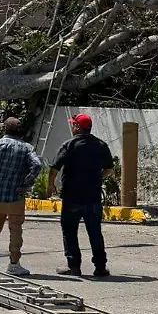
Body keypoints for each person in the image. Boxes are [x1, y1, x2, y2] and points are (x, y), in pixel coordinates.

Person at [0, 117, 41, 276]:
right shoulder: (26, 148)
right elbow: (37, 165)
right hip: (15, 196)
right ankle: (14, 264)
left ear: (5, 129)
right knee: (15, 230)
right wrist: (26, 184)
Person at [49, 114, 114, 278]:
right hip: (93, 197)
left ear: (78, 127)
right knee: (95, 232)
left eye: (74, 125)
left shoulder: (69, 145)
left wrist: (51, 184)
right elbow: (109, 169)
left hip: (72, 197)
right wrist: (98, 177)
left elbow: (55, 168)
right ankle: (100, 267)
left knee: (70, 231)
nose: (72, 127)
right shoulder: (100, 145)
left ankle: (74, 266)